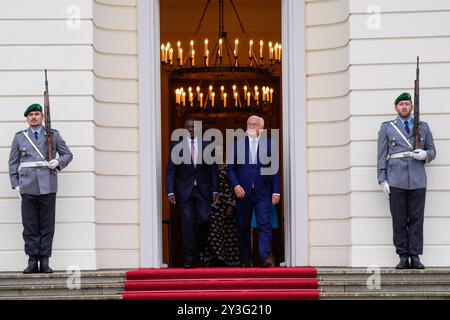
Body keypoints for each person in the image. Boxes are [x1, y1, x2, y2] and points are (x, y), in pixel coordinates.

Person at [8, 103, 73, 274]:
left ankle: (44, 260)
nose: (34, 117)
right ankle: (32, 260)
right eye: (31, 115)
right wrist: (15, 183)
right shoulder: (20, 137)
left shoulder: (53, 135)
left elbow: (67, 154)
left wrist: (58, 162)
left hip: (48, 186)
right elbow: (13, 162)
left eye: (37, 114)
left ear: (42, 117)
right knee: (29, 226)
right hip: (27, 186)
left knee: (46, 225)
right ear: (27, 118)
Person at [377, 92, 436, 269]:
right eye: (401, 104)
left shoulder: (423, 127)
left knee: (417, 219)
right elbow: (381, 155)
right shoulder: (388, 127)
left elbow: (432, 150)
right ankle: (403, 256)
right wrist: (382, 179)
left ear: (412, 107)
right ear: (396, 107)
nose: (404, 107)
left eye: (407, 104)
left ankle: (415, 256)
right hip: (396, 180)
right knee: (399, 219)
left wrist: (425, 154)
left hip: (418, 180)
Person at [227, 115, 281, 267]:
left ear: (261, 128)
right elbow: (230, 169)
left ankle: (264, 257)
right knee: (243, 226)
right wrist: (236, 186)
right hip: (243, 193)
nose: (251, 126)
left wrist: (276, 191)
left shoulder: (270, 144)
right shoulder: (237, 145)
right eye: (249, 124)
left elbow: (275, 169)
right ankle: (245, 259)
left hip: (263, 192)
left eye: (254, 124)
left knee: (264, 225)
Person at [166, 119, 219, 268]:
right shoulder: (176, 146)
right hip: (184, 191)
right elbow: (171, 170)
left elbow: (213, 169)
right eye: (188, 127)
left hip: (203, 190)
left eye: (193, 127)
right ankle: (190, 259)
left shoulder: (208, 145)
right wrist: (170, 191)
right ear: (184, 129)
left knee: (204, 219)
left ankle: (200, 249)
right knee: (187, 224)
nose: (191, 129)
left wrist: (215, 190)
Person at [204, 145, 240, 267]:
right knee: (213, 234)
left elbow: (232, 188)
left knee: (229, 235)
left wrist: (231, 205)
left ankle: (231, 262)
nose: (218, 154)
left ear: (224, 152)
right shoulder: (210, 167)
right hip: (214, 206)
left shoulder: (229, 168)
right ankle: (215, 260)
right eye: (216, 152)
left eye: (220, 151)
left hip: (227, 205)